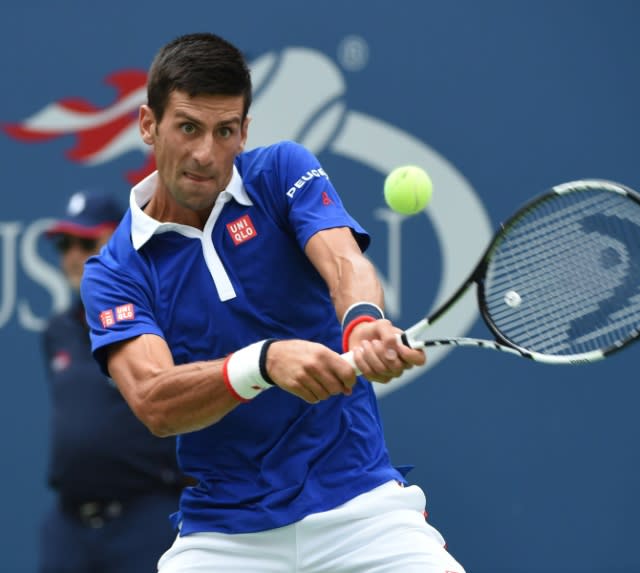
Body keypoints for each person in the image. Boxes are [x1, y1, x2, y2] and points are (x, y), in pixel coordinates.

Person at [80, 32, 466, 573]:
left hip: (361, 510)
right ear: (149, 124)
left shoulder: (280, 171)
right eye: (188, 127)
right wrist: (262, 363)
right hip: (224, 536)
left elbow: (342, 262)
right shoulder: (115, 271)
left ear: (244, 131)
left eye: (225, 131)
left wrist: (362, 321)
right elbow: (155, 401)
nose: (205, 154)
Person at [40, 190, 189, 573]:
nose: (73, 255)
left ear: (116, 243)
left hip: (146, 516)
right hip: (68, 524)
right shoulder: (57, 331)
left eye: (86, 242)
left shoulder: (156, 321)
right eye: (64, 244)